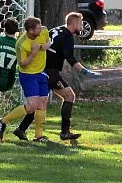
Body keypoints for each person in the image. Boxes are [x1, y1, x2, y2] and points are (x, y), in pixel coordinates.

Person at [14, 12, 100, 141]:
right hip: (50, 71)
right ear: (75, 23)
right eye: (81, 24)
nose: (82, 27)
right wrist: (85, 72)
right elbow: (70, 59)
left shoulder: (56, 30)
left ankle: (21, 129)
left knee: (38, 103)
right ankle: (64, 132)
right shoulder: (67, 37)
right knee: (69, 96)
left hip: (41, 69)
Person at [0, 16, 51, 142]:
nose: (41, 29)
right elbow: (22, 63)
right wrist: (34, 52)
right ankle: (2, 121)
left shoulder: (44, 31)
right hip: (28, 75)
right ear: (31, 31)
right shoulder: (21, 43)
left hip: (41, 73)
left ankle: (38, 135)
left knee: (42, 104)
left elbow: (48, 41)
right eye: (38, 28)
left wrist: (45, 46)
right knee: (32, 106)